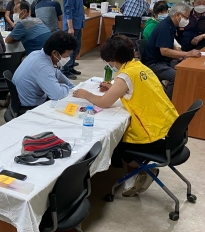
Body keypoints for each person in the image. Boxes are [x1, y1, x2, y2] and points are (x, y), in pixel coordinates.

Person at [73, 35, 178, 196]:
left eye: (109, 62)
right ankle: (138, 171)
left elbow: (104, 102)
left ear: (113, 60)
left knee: (117, 142)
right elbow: (137, 89)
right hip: (169, 127)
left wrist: (85, 94)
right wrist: (114, 88)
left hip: (154, 134)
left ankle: (140, 172)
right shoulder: (139, 66)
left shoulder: (125, 75)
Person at [141, 3, 201, 99]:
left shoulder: (169, 25)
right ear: (177, 15)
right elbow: (164, 51)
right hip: (154, 63)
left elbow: (172, 46)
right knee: (178, 76)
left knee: (185, 69)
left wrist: (181, 55)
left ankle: (179, 97)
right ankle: (167, 102)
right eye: (186, 17)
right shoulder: (165, 27)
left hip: (163, 60)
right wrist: (187, 54)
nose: (187, 20)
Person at [12, 31, 77, 109]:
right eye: (67, 56)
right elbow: (57, 95)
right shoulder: (44, 67)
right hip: (31, 106)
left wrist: (72, 86)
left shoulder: (36, 54)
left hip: (22, 99)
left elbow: (56, 73)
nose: (68, 58)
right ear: (55, 53)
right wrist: (66, 87)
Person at [62, 0, 86, 78]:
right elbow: (68, 9)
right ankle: (65, 70)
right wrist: (70, 27)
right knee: (69, 49)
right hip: (72, 25)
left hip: (78, 23)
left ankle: (70, 67)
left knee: (76, 47)